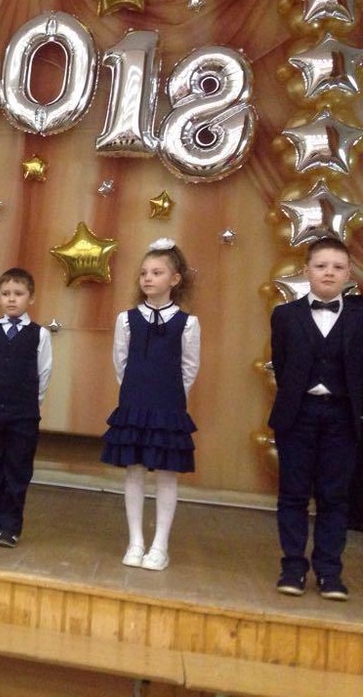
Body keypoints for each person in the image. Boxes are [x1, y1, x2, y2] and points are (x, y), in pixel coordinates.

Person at [269, 236, 362, 601]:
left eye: (337, 267)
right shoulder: (285, 316)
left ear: (349, 274)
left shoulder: (359, 316)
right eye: (321, 266)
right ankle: (292, 567)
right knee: (293, 494)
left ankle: (329, 572)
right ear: (306, 270)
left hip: (343, 416)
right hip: (298, 414)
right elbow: (282, 364)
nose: (329, 273)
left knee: (334, 496)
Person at [101, 238, 200, 572]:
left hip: (168, 405)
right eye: (144, 272)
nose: (148, 278)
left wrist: (169, 396)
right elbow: (120, 362)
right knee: (135, 471)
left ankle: (160, 545)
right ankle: (135, 541)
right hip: (134, 401)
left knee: (167, 475)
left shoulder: (188, 323)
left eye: (157, 272)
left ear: (175, 279)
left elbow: (189, 369)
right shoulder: (126, 319)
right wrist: (135, 392)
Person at [0, 267, 52, 548]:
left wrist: (30, 404)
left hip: (24, 415)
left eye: (18, 293)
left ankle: (10, 526)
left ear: (31, 298)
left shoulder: (40, 334)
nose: (11, 299)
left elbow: (44, 373)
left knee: (18, 469)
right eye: (5, 293)